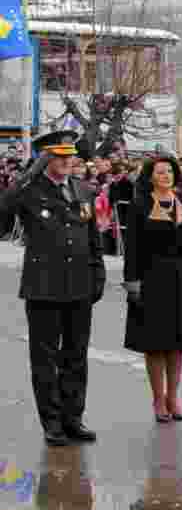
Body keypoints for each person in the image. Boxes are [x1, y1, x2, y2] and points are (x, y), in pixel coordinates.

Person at [0, 131, 106, 446]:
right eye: (57, 156)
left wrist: (97, 273)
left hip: (79, 285)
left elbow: (93, 238)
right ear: (46, 158)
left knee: (76, 355)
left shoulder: (83, 189)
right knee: (45, 358)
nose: (65, 161)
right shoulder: (29, 191)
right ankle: (52, 422)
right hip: (44, 286)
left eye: (68, 156)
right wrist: (24, 177)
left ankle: (73, 417)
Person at [122, 156, 182, 424]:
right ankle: (158, 398)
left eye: (170, 171)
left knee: (178, 343)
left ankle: (174, 396)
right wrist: (132, 280)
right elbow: (132, 246)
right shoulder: (140, 205)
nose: (166, 176)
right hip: (151, 277)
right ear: (150, 176)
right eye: (160, 172)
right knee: (156, 344)